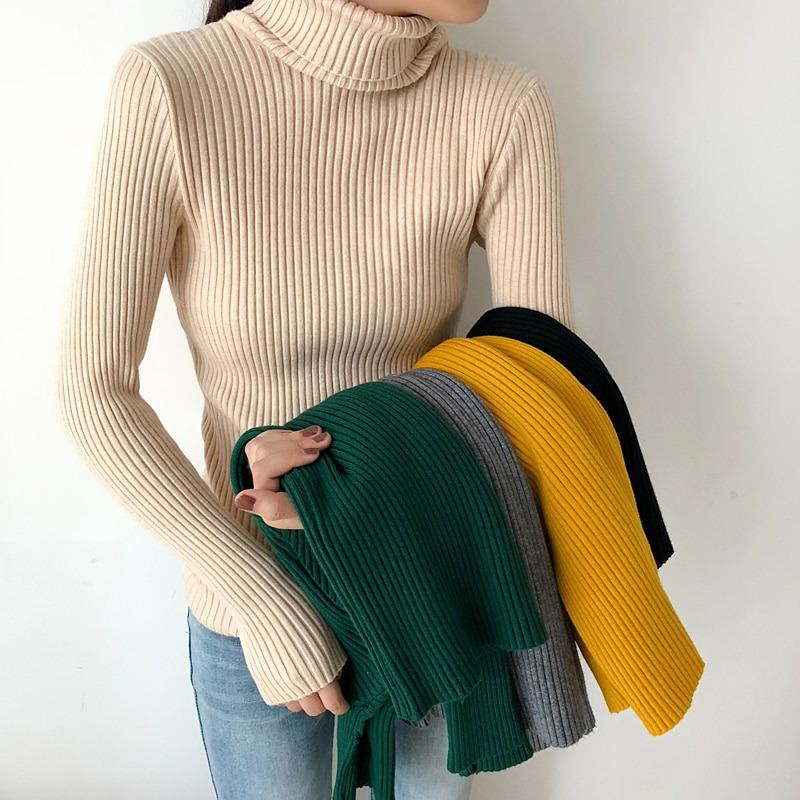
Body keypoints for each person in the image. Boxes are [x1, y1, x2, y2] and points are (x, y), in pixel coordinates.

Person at [55, 0, 576, 797]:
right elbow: (92, 388)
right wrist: (265, 602)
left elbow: (539, 393)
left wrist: (347, 489)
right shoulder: (171, 85)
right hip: (251, 604)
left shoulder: (502, 105)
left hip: (428, 583)